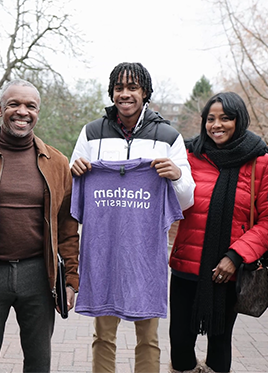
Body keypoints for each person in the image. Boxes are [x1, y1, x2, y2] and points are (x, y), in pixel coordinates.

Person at [70, 62, 196, 373]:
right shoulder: (91, 132)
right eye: (119, 88)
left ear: (145, 93)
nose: (125, 94)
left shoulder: (168, 136)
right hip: (104, 252)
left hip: (145, 253)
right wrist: (76, 173)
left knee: (149, 338)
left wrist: (177, 175)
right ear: (112, 92)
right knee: (103, 336)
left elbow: (186, 198)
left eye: (132, 88)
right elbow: (73, 187)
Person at [0, 78, 79, 373]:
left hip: (39, 274)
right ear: (1, 108)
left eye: (30, 106)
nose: (22, 111)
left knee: (39, 362)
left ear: (38, 112)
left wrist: (71, 279)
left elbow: (67, 225)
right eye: (14, 104)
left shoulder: (57, 162)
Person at [168, 92, 268, 373]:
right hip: (185, 266)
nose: (217, 125)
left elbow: (267, 221)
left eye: (226, 118)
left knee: (219, 342)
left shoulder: (261, 162)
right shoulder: (188, 155)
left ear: (239, 121)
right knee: (179, 343)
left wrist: (235, 256)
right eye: (211, 119)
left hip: (227, 270)